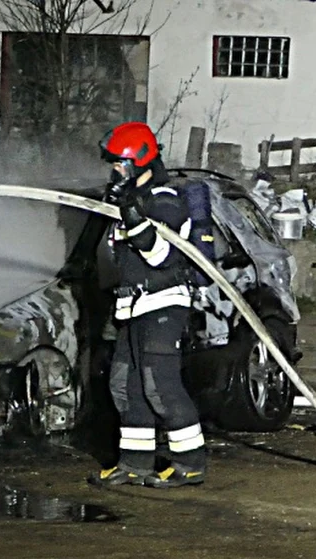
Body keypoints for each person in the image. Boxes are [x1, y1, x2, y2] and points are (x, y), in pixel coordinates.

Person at [92, 121, 207, 488]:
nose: (114, 171)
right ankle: (135, 463)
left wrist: (132, 215)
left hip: (163, 306)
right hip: (132, 307)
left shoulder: (165, 202)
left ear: (139, 163)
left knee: (161, 387)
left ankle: (189, 463)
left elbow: (160, 256)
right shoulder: (132, 203)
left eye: (119, 165)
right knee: (125, 385)